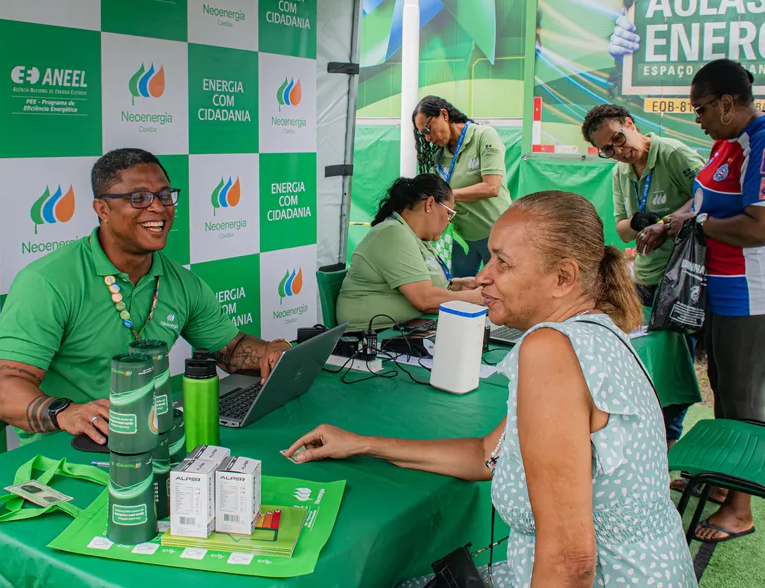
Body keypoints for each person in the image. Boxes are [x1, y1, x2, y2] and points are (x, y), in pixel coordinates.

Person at [287, 192, 698, 588]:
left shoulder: (551, 349)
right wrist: (363, 444)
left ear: (563, 277)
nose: (483, 275)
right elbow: (489, 455)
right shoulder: (597, 332)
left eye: (502, 262)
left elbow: (570, 562)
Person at [0, 148, 294, 446]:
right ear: (102, 209)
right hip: (71, 450)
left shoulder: (182, 282)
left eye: (164, 195)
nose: (159, 208)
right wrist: (67, 412)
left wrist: (272, 353)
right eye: (139, 198)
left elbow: (231, 349)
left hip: (153, 440)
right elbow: (3, 392)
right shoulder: (47, 282)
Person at [637, 59, 765, 543]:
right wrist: (671, 222)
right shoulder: (728, 142)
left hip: (762, 290)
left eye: (701, 108)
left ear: (727, 104)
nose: (697, 118)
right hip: (731, 287)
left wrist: (700, 227)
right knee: (724, 383)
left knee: (742, 395)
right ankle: (724, 480)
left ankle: (741, 507)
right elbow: (703, 201)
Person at [581, 103, 704, 449]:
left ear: (631, 124)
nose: (617, 151)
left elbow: (708, 197)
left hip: (679, 279)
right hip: (644, 280)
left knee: (676, 364)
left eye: (618, 139)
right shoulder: (620, 173)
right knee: (637, 360)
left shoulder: (674, 154)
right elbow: (621, 231)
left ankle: (669, 440)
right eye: (607, 149)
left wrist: (665, 223)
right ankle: (641, 434)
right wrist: (639, 223)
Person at [337, 174, 484, 332]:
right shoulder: (393, 233)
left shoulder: (415, 238)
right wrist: (477, 298)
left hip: (402, 329)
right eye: (449, 213)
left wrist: (456, 285)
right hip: (371, 336)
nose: (449, 221)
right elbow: (425, 299)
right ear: (430, 204)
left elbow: (423, 284)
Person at [412, 96, 511, 277]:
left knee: (501, 286)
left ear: (444, 115)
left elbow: (491, 187)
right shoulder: (439, 158)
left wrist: (446, 196)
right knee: (460, 288)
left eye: (428, 129)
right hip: (462, 237)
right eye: (422, 134)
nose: (427, 138)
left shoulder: (483, 136)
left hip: (496, 233)